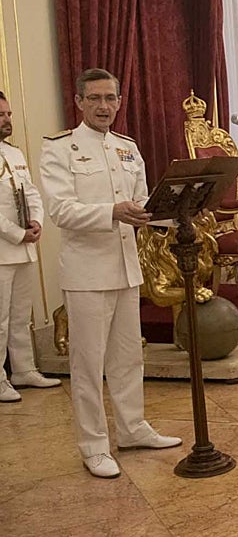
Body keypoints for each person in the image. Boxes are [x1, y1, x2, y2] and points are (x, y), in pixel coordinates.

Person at [40, 68, 182, 478]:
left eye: (111, 98)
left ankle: (133, 428)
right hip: (86, 272)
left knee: (128, 357)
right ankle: (93, 445)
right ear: (80, 102)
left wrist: (166, 212)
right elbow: (61, 210)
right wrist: (112, 213)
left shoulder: (127, 148)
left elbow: (140, 201)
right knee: (88, 364)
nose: (104, 106)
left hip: (126, 267)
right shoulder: (60, 149)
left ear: (120, 102)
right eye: (95, 99)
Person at [0, 92, 60, 403]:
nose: (8, 120)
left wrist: (36, 222)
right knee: (0, 318)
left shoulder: (14, 154)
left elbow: (32, 193)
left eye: (8, 114)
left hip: (24, 247)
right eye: (1, 115)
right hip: (2, 250)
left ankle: (23, 368)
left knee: (22, 313)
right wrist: (15, 233)